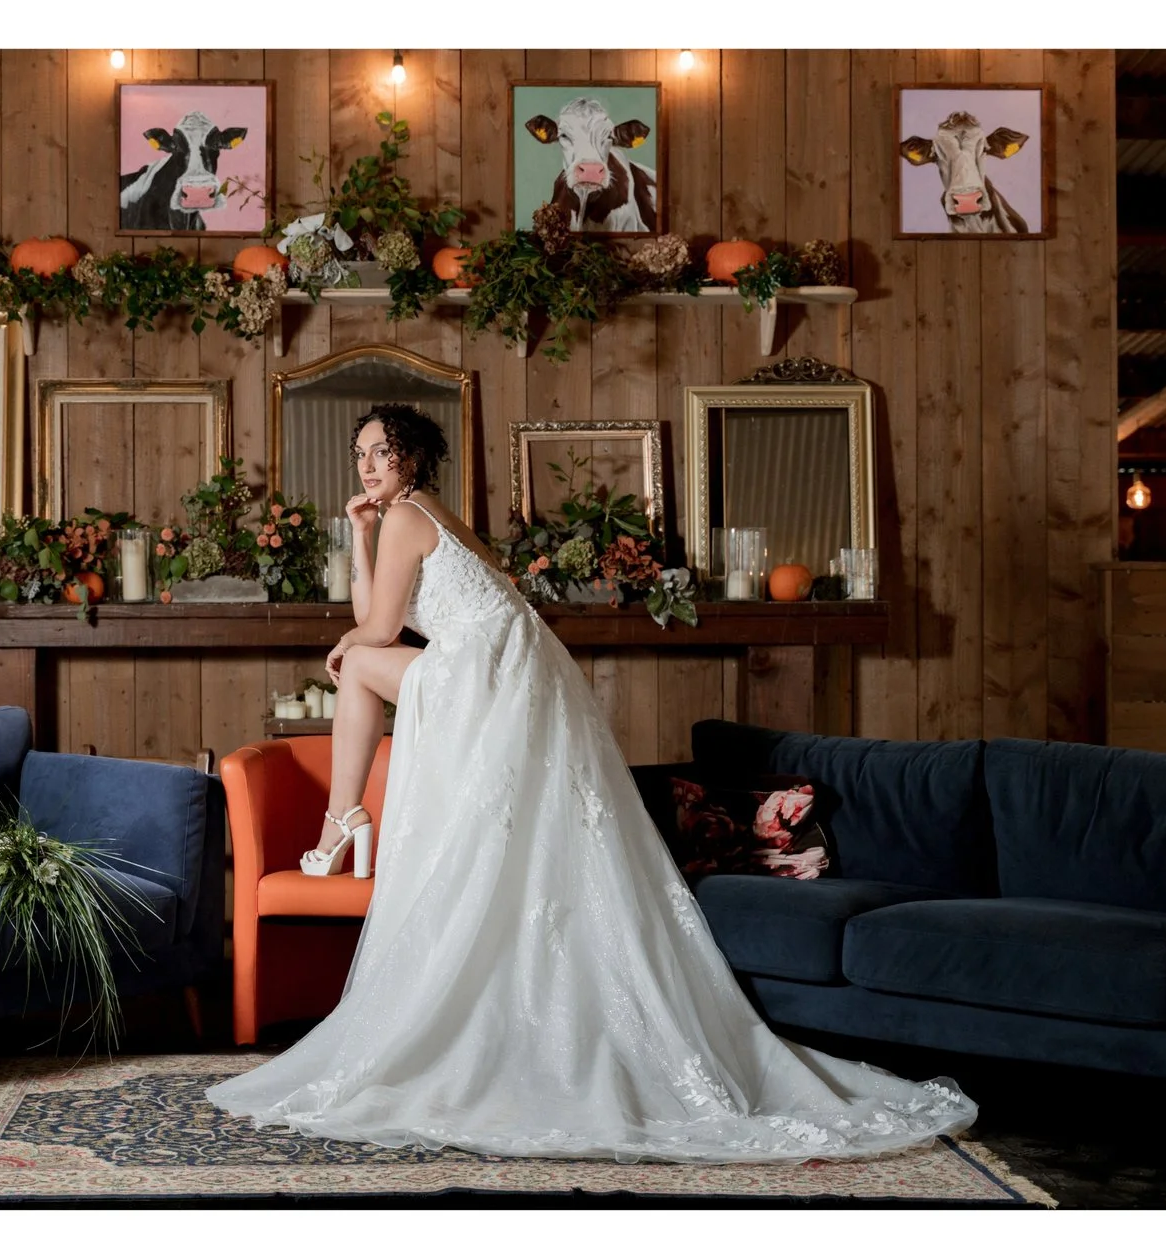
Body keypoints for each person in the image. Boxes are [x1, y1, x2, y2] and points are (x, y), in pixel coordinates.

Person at [205, 404, 976, 1162]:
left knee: (359, 669)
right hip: (512, 673)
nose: (369, 466)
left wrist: (349, 630)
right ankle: (345, 821)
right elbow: (384, 618)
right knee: (376, 685)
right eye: (361, 454)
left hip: (484, 673)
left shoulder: (409, 514)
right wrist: (362, 541)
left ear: (412, 461)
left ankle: (342, 820)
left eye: (382, 452)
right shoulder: (417, 513)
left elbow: (375, 630)